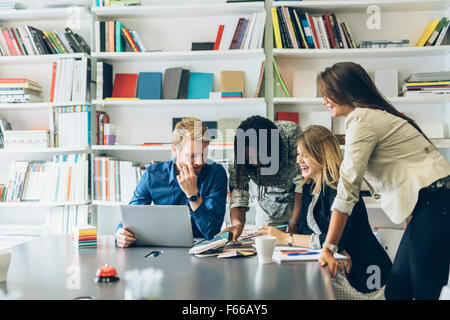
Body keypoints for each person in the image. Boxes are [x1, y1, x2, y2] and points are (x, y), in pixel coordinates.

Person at [315, 61, 450, 300]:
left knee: (423, 291)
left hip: (436, 205)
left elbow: (348, 188)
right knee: (398, 290)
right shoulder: (373, 116)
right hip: (429, 206)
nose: (324, 100)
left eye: (328, 93)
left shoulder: (361, 119)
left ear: (345, 90)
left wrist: (329, 247)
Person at [259, 125, 392, 299]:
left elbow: (339, 238)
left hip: (366, 279)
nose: (299, 160)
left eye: (305, 154)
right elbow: (309, 230)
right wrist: (330, 246)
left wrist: (286, 238)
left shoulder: (339, 188)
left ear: (321, 154)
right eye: (298, 154)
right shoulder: (310, 186)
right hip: (340, 268)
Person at [115, 118, 228, 247]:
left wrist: (193, 195)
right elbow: (132, 216)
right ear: (175, 149)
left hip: (202, 252)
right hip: (162, 249)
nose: (200, 161)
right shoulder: (153, 175)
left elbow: (212, 232)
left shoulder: (216, 174)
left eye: (204, 154)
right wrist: (120, 233)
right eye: (192, 155)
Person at [220, 116, 303, 242]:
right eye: (249, 157)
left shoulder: (291, 135)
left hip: (298, 201)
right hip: (267, 204)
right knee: (266, 249)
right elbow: (239, 192)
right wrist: (237, 224)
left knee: (297, 245)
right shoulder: (237, 157)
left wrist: (294, 223)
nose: (255, 163)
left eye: (260, 156)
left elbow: (302, 183)